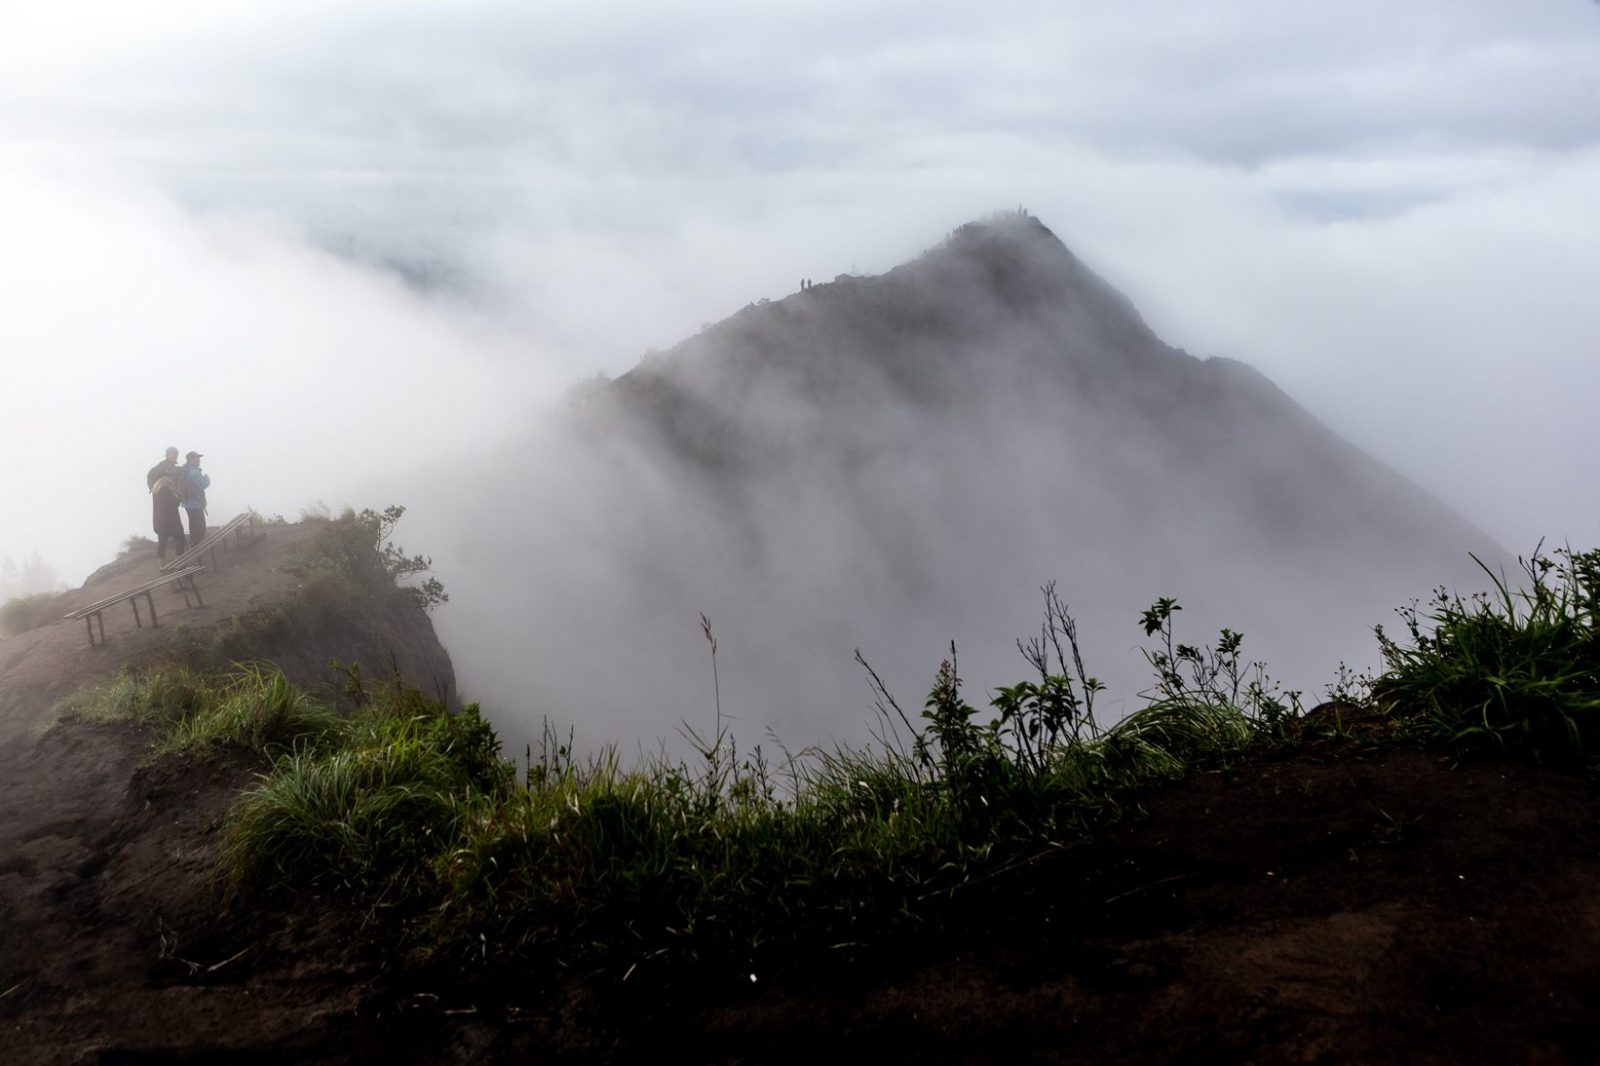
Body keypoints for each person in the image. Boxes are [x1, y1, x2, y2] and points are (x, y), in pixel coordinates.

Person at [150, 475, 186, 563]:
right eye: (169, 477)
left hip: (160, 522)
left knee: (162, 544)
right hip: (171, 522)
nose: (171, 478)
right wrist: (178, 495)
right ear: (165, 479)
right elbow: (176, 502)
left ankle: (161, 566)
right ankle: (180, 562)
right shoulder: (166, 490)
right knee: (181, 540)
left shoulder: (156, 491)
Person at [179, 451, 210, 546]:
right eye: (197, 458)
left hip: (187, 503)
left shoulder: (185, 471)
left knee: (193, 525)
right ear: (191, 460)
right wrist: (207, 479)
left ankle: (194, 545)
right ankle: (198, 547)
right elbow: (203, 485)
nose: (199, 460)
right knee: (201, 527)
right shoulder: (195, 472)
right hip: (196, 503)